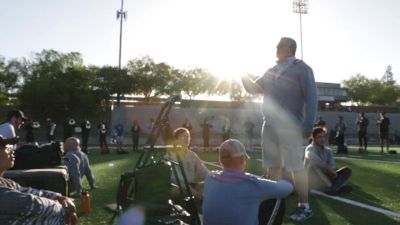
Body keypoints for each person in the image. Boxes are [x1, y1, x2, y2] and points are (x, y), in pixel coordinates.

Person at [241, 37, 317, 221]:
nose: (276, 47)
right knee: (272, 165)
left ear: (291, 48)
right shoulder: (271, 70)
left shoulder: (302, 68)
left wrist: (308, 125)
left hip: (291, 125)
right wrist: (241, 74)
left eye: (280, 45)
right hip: (270, 124)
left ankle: (304, 205)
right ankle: (274, 203)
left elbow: (312, 97)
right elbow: (254, 89)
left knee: (295, 166)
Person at [202, 139, 293, 225]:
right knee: (277, 198)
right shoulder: (251, 183)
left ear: (220, 160)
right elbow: (288, 189)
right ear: (242, 159)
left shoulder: (210, 178)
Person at [0, 135, 77, 225]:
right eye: (5, 147)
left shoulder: (4, 182)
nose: (12, 150)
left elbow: (29, 191)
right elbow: (32, 204)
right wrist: (65, 209)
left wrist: (60, 197)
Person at [168, 127, 209, 200]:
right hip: (177, 186)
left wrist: (215, 177)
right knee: (179, 192)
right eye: (183, 136)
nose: (187, 138)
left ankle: (199, 200)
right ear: (176, 139)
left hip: (190, 185)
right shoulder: (170, 155)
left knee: (210, 185)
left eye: (188, 136)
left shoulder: (192, 155)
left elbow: (203, 172)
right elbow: (171, 177)